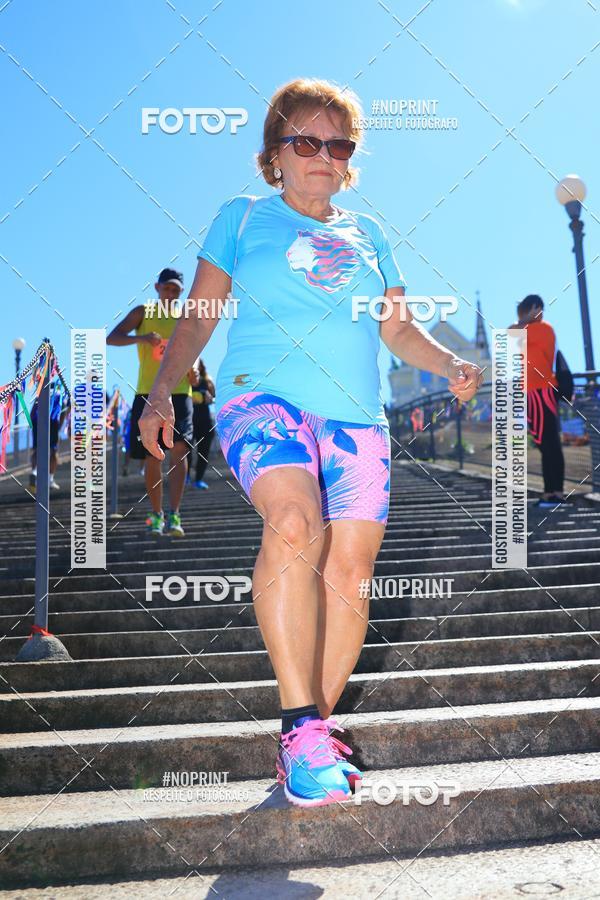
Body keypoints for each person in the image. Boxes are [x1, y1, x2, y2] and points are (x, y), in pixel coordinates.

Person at [138, 78, 483, 806]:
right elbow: (199, 316)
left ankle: (312, 733)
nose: (324, 155)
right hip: (261, 398)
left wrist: (448, 362)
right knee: (296, 522)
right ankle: (299, 726)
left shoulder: (370, 233)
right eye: (306, 141)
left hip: (355, 417)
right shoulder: (241, 218)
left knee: (351, 571)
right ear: (275, 154)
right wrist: (163, 389)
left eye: (339, 145)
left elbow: (397, 330)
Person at [106, 268, 195, 536]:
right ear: (157, 287)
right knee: (153, 453)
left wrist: (195, 369)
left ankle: (175, 513)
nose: (171, 293)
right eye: (167, 288)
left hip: (181, 390)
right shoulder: (143, 312)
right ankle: (156, 514)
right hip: (149, 390)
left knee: (180, 449)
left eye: (176, 290)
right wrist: (142, 338)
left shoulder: (186, 315)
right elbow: (112, 338)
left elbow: (193, 349)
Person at [510, 294, 570, 508]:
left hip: (543, 391)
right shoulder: (527, 330)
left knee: (551, 443)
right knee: (544, 445)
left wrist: (525, 319)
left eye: (525, 310)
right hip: (531, 393)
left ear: (534, 308)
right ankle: (549, 493)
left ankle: (557, 493)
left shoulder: (543, 329)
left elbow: (511, 333)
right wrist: (525, 320)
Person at [29, 383, 70, 493]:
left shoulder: (40, 395)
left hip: (37, 420)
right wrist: (59, 428)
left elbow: (32, 412)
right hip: (52, 421)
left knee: (37, 449)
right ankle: (50, 479)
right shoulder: (60, 396)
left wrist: (32, 425)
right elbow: (63, 411)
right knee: (54, 450)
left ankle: (34, 472)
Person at [189, 357, 216, 489]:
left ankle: (198, 479)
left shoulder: (207, 381)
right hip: (188, 421)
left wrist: (210, 398)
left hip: (205, 421)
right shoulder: (182, 381)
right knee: (185, 451)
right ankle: (185, 477)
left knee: (203, 452)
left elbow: (214, 397)